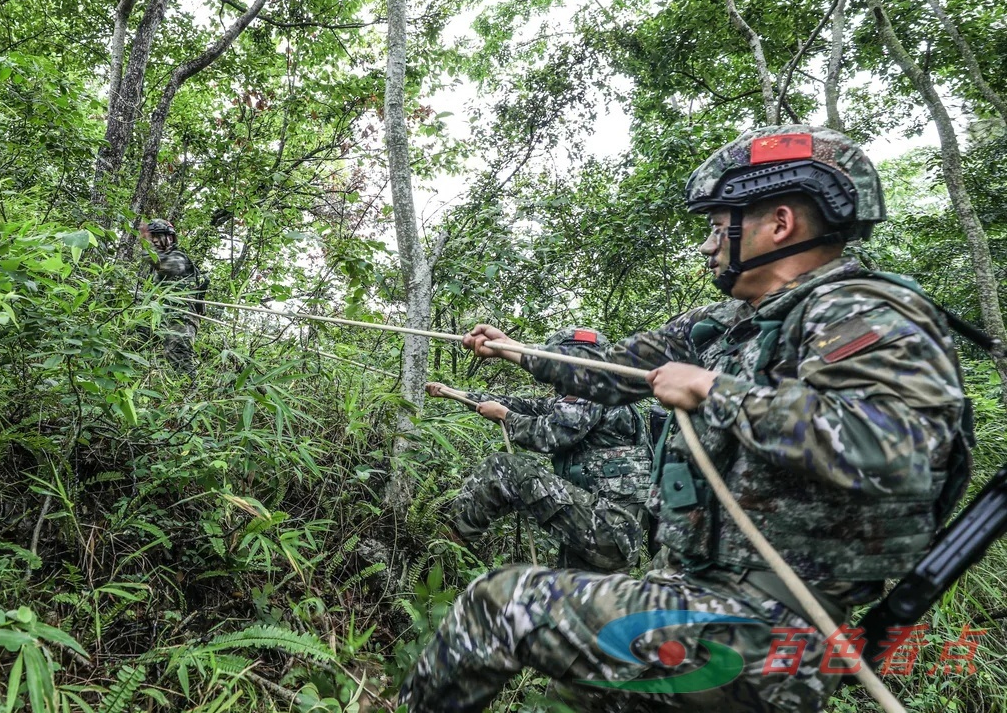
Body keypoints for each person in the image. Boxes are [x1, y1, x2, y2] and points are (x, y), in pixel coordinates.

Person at [398, 126, 971, 713]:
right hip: (688, 594)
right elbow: (613, 371)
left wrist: (715, 391)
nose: (707, 246)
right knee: (572, 697)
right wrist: (518, 351)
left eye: (717, 227)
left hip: (766, 629)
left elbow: (894, 449)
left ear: (779, 223)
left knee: (499, 605)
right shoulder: (725, 322)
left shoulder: (861, 309)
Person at [425, 327, 652, 572]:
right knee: (576, 605)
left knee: (502, 469)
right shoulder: (604, 394)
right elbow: (526, 406)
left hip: (609, 527)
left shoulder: (592, 390)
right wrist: (457, 394)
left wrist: (507, 417)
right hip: (611, 531)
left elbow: (549, 435)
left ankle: (439, 554)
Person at [139, 218, 203, 379]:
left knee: (177, 352)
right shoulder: (152, 269)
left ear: (170, 238)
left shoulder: (179, 258)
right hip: (158, 316)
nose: (154, 240)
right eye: (153, 236)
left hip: (181, 315)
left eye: (158, 235)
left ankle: (191, 393)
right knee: (133, 341)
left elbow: (166, 266)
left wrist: (148, 250)